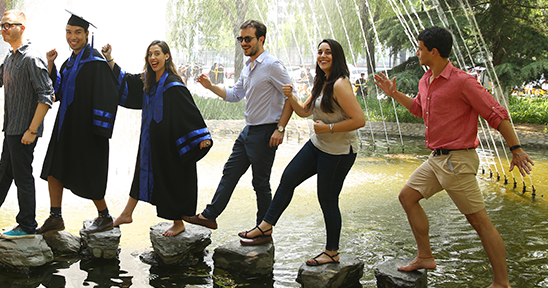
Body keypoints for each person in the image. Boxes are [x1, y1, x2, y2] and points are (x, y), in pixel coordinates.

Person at [373, 26, 534, 288]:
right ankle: (425, 256)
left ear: (434, 52)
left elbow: (496, 114)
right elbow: (419, 110)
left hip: (457, 161)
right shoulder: (427, 79)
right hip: (437, 159)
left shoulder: (463, 82)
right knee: (407, 197)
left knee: (479, 222)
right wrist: (394, 94)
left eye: (420, 48)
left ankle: (502, 285)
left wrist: (516, 149)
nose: (417, 52)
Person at [238, 40, 365, 264]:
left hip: (339, 152)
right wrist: (290, 96)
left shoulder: (340, 84)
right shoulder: (322, 81)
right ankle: (266, 226)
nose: (322, 56)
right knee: (288, 178)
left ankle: (332, 252)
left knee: (327, 199)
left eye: (328, 52)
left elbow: (359, 120)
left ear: (336, 56)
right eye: (320, 52)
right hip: (318, 144)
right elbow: (304, 111)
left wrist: (329, 128)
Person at [183, 20, 293, 230]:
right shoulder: (248, 67)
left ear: (261, 39)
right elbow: (234, 95)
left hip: (266, 132)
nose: (243, 43)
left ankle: (263, 229)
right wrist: (210, 86)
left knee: (260, 183)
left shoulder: (273, 65)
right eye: (240, 39)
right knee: (230, 172)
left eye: (248, 39)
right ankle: (209, 216)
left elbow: (291, 97)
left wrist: (280, 128)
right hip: (248, 130)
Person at [104, 41, 212, 236]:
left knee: (171, 180)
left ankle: (178, 223)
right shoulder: (148, 80)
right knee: (141, 174)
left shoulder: (173, 84)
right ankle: (127, 214)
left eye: (157, 53)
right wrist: (109, 58)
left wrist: (201, 136)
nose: (153, 58)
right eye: (150, 54)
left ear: (166, 56)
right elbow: (126, 82)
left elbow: (188, 110)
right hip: (150, 140)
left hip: (169, 144)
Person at [0, 10, 54, 237]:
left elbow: (47, 95)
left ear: (21, 28)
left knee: (23, 177)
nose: (3, 30)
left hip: (25, 130)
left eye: (8, 25)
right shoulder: (11, 56)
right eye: (1, 26)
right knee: (5, 171)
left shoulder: (31, 58)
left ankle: (27, 225)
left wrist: (32, 130)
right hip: (12, 127)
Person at [37, 12, 119, 234]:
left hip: (87, 129)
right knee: (54, 168)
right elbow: (56, 92)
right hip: (65, 126)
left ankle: (105, 216)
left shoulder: (96, 62)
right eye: (68, 32)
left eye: (77, 32)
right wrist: (51, 64)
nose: (72, 37)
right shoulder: (69, 62)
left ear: (87, 34)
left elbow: (109, 95)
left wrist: (98, 130)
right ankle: (55, 217)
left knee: (89, 172)